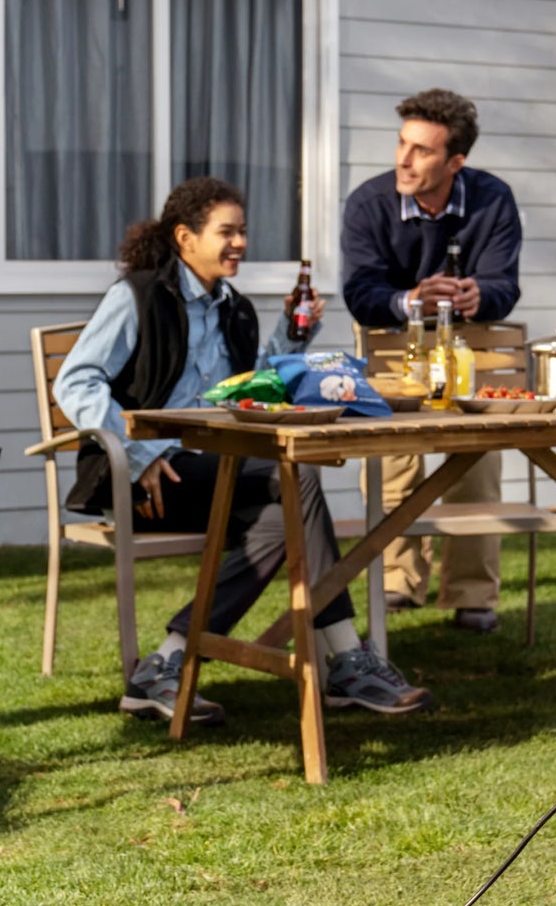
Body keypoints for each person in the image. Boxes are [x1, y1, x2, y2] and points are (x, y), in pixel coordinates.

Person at [55, 177, 433, 725]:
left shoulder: (234, 308)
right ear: (185, 238)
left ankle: (165, 663)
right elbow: (77, 381)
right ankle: (348, 661)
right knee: (294, 478)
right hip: (148, 482)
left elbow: (247, 389)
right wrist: (143, 456)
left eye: (243, 231)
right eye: (226, 232)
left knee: (286, 517)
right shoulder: (137, 296)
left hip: (219, 469)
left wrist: (292, 337)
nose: (240, 242)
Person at [340, 88, 522, 633]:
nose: (403, 158)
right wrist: (410, 300)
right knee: (391, 457)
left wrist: (477, 296)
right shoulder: (368, 203)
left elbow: (502, 284)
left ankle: (471, 595)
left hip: (468, 340)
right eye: (402, 144)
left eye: (421, 150)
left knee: (477, 459)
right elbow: (360, 291)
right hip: (392, 337)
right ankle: (398, 581)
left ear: (455, 161)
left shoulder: (494, 199)